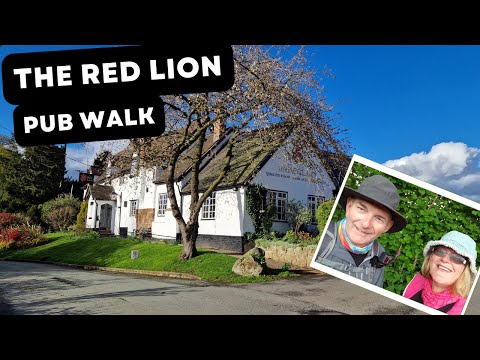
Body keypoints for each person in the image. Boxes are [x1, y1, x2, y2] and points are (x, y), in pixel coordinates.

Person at [315, 175, 408, 287]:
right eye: (362, 209)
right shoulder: (323, 240)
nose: (366, 224)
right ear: (349, 206)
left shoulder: (379, 255)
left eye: (379, 218)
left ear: (387, 226)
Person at [403, 231, 477, 315]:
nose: (445, 259)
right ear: (430, 257)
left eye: (457, 258)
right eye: (440, 252)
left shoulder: (467, 310)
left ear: (466, 270)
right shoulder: (414, 286)